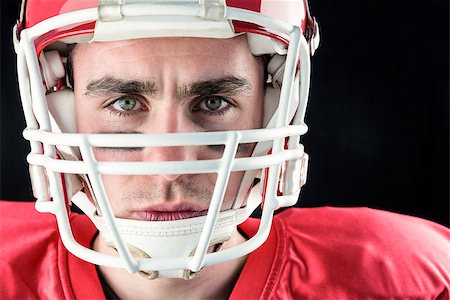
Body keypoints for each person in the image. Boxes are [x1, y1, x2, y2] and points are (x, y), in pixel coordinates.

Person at [1, 0, 449, 299]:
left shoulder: (412, 278)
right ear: (60, 110)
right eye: (124, 103)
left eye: (214, 102)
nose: (169, 169)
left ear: (273, 109)